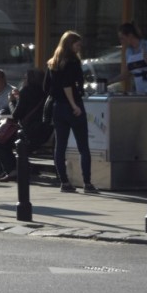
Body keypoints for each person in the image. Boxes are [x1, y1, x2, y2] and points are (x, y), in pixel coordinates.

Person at [47, 31, 97, 193]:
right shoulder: (72, 62)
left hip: (57, 107)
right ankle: (87, 183)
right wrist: (74, 105)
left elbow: (46, 87)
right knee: (83, 146)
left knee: (60, 146)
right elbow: (68, 85)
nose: (79, 46)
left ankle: (64, 182)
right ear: (69, 45)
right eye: (77, 44)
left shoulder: (53, 63)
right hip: (72, 106)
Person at [0, 67, 46, 182]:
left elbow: (16, 115)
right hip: (43, 133)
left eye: (25, 78)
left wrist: (11, 101)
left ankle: (13, 170)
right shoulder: (45, 92)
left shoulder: (26, 91)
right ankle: (23, 168)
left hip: (27, 133)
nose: (24, 80)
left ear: (30, 79)